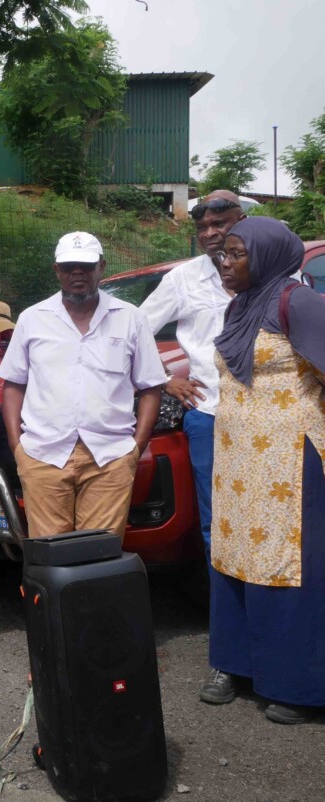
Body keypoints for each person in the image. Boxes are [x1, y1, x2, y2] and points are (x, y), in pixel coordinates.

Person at [200, 217, 325, 724]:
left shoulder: (296, 302)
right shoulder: (241, 305)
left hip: (288, 459)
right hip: (237, 458)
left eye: (235, 253)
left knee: (289, 564)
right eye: (221, 253)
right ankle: (236, 665)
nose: (223, 262)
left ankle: (296, 683)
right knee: (232, 553)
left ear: (268, 255)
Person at [0, 232, 167, 542]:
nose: (78, 274)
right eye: (69, 267)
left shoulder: (131, 318)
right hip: (42, 455)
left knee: (99, 554)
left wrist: (135, 448)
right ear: (57, 271)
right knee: (50, 556)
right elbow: (14, 384)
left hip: (110, 458)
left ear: (101, 268)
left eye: (86, 267)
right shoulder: (33, 319)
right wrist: (16, 445)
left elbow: (151, 387)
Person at [139, 190, 246, 573]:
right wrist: (164, 378)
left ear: (242, 222)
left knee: (276, 510)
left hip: (270, 413)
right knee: (216, 518)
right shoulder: (183, 279)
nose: (210, 233)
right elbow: (134, 333)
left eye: (220, 223)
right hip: (209, 414)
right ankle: (227, 618)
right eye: (202, 227)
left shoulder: (275, 272)